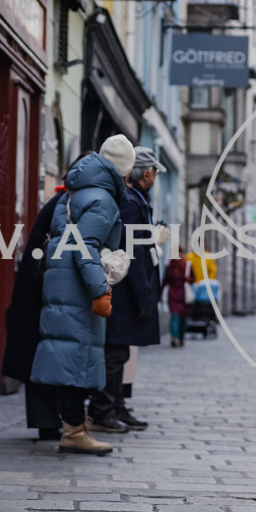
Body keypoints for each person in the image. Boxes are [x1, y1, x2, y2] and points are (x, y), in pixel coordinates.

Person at [30, 135, 134, 456]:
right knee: (76, 358)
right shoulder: (102, 200)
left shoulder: (75, 192)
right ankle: (74, 431)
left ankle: (74, 426)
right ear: (123, 172)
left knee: (70, 354)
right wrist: (100, 289)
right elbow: (84, 247)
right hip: (78, 286)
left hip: (60, 283)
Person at [88, 146, 165, 433]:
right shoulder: (132, 203)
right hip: (124, 288)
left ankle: (116, 407)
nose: (155, 177)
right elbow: (134, 253)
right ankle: (103, 410)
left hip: (125, 286)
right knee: (115, 351)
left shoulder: (135, 200)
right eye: (155, 172)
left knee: (120, 351)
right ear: (146, 172)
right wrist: (144, 295)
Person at [2, 186, 68, 440]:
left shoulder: (62, 201)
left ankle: (50, 421)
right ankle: (50, 421)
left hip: (40, 288)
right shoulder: (66, 204)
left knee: (42, 352)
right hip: (44, 289)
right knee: (44, 353)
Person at [161, 246, 193, 347]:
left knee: (175, 316)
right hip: (182, 294)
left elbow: (165, 281)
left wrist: (159, 294)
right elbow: (193, 279)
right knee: (182, 317)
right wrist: (187, 279)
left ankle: (175, 337)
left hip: (174, 294)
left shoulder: (170, 266)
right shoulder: (186, 265)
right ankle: (180, 337)